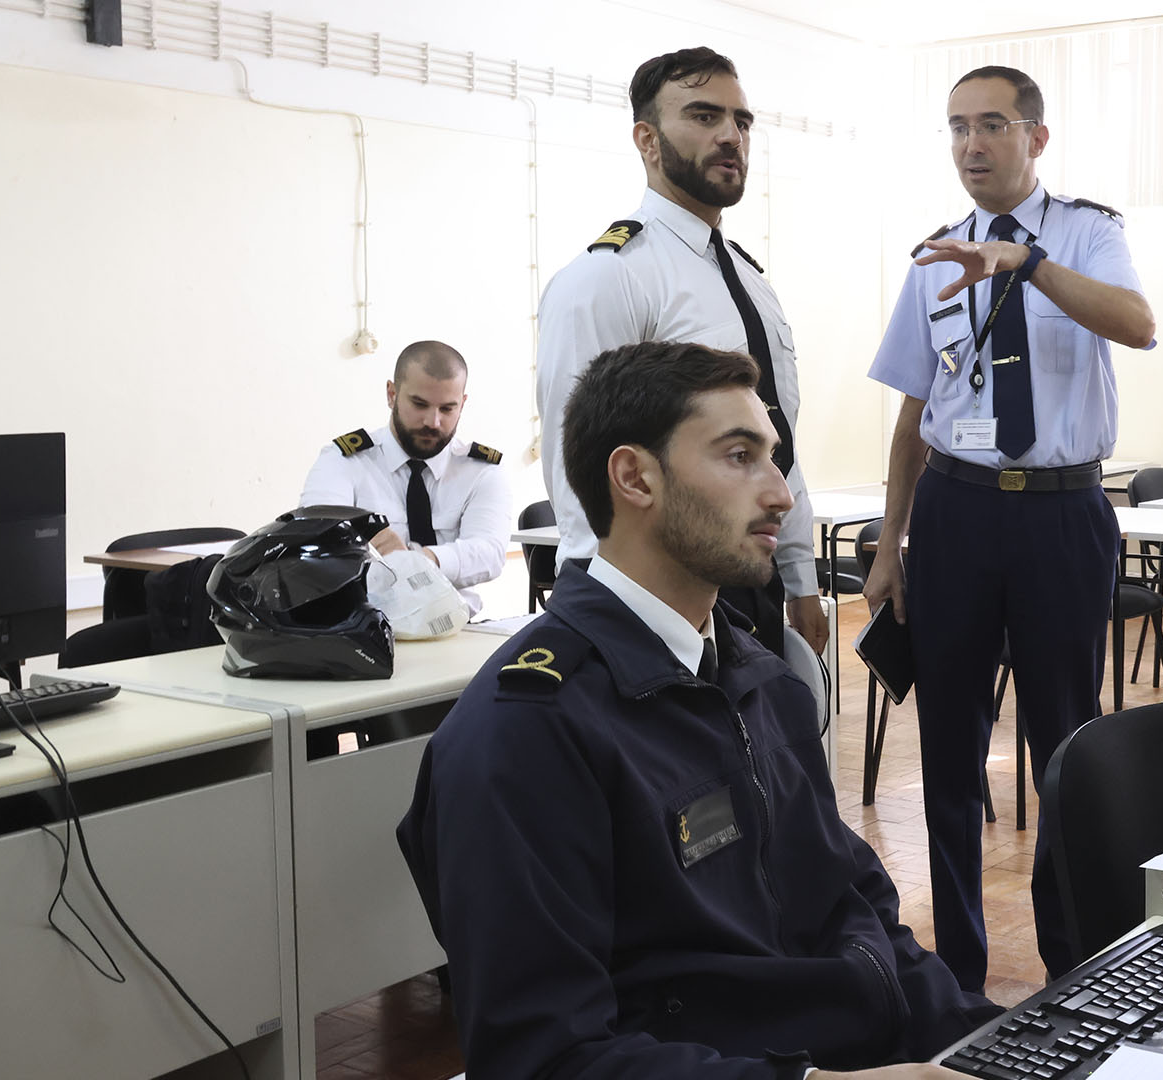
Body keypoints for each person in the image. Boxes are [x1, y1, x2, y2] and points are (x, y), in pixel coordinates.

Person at [397, 340, 995, 1078]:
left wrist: (991, 1043)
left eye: (774, 459)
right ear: (634, 477)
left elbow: (857, 910)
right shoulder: (526, 733)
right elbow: (544, 1058)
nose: (781, 494)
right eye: (740, 456)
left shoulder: (763, 680)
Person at [863, 66, 1156, 991]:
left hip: (1062, 512)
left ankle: (1071, 959)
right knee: (950, 745)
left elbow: (1137, 324)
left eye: (991, 125)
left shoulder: (1087, 233)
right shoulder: (935, 258)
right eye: (957, 127)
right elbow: (915, 410)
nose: (971, 144)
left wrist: (1024, 264)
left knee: (1065, 739)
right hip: (957, 511)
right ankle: (959, 970)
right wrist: (890, 542)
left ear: (1036, 136)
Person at [535, 46, 827, 657]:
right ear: (647, 140)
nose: (730, 136)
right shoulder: (610, 276)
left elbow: (777, 441)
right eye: (703, 116)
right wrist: (605, 615)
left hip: (754, 570)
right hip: (661, 590)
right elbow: (579, 462)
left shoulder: (750, 279)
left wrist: (799, 575)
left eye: (741, 121)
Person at [299, 340, 510, 617]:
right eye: (420, 404)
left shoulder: (481, 471)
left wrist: (418, 561)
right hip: (364, 625)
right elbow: (320, 544)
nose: (433, 422)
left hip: (459, 626)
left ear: (463, 404)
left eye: (447, 409)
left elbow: (489, 554)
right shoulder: (342, 462)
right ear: (392, 394)